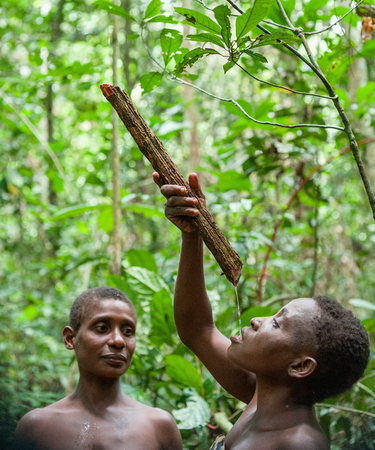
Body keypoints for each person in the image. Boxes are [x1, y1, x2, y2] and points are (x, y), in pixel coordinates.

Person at [153, 172, 370, 450]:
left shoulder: (300, 443)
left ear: (300, 366)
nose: (257, 320)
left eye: (277, 324)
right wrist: (193, 232)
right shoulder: (262, 396)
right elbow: (197, 329)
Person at [14, 286, 183, 450]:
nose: (118, 341)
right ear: (70, 338)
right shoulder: (37, 427)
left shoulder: (159, 426)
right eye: (102, 328)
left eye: (127, 331)